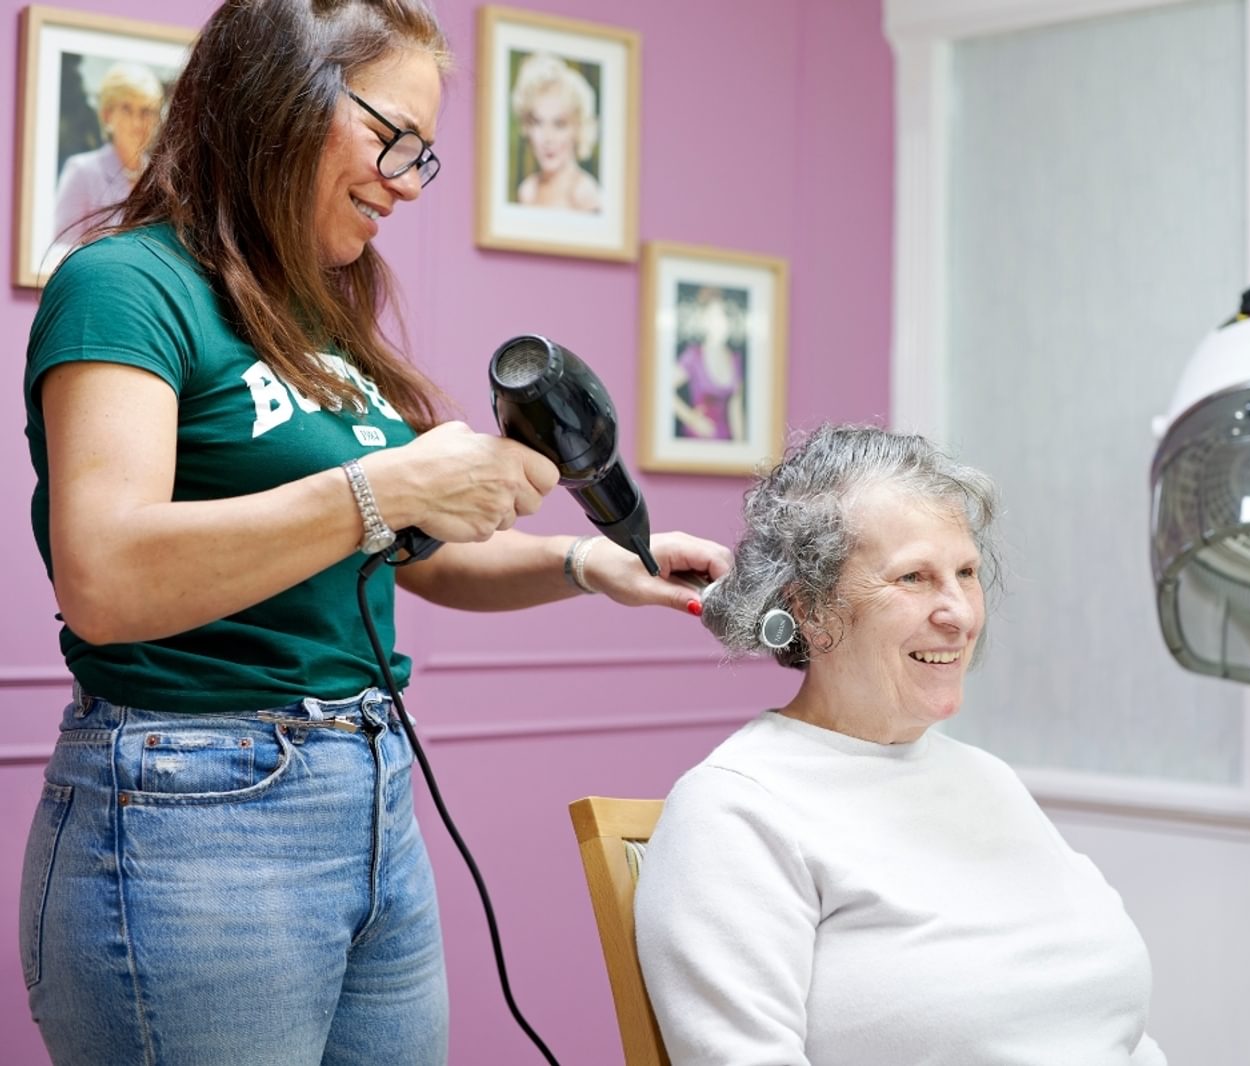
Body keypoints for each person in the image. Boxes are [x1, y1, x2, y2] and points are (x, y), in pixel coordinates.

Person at [17, 2, 727, 1064]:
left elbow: (417, 553)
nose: (404, 180)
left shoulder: (320, 318)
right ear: (278, 103)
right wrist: (383, 485)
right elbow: (107, 577)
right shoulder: (123, 286)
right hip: (192, 807)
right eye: (391, 137)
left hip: (369, 789)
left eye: (423, 156)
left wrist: (588, 563)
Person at [634, 424, 1166, 1065]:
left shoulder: (985, 778)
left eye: (965, 572)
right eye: (913, 577)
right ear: (811, 609)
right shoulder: (736, 812)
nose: (960, 614)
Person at [46, 61, 164, 268]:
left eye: (146, 111)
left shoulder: (161, 181)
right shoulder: (83, 171)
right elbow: (59, 251)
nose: (137, 122)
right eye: (127, 109)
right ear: (107, 115)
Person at [512, 51, 601, 212]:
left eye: (559, 124)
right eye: (538, 123)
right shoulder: (527, 191)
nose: (547, 138)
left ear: (578, 128)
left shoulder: (586, 194)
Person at [671, 286, 746, 442]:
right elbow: (662, 390)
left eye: (724, 316)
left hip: (724, 442)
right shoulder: (693, 357)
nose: (721, 323)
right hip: (697, 440)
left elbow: (735, 410)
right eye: (714, 317)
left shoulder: (734, 360)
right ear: (704, 321)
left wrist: (741, 448)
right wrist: (691, 418)